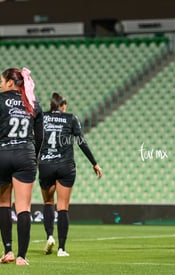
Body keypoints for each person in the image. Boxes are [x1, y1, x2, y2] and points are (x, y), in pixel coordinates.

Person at [0, 67, 43, 266]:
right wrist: (35, 154)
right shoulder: (33, 101)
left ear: (10, 82)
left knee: (4, 204)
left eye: (1, 80)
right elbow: (40, 136)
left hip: (2, 154)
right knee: (23, 207)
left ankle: (8, 250)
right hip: (25, 154)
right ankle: (21, 256)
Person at [38, 92, 102, 257]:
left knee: (47, 203)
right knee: (63, 207)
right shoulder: (70, 118)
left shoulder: (41, 117)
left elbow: (35, 140)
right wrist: (94, 163)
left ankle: (49, 236)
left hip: (46, 164)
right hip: (65, 166)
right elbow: (81, 142)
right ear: (63, 105)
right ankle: (61, 249)